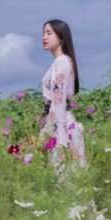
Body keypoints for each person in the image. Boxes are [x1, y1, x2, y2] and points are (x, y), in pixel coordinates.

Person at [39, 19, 86, 176]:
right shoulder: (65, 61)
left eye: (49, 33)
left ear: (61, 37)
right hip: (64, 123)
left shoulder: (61, 62)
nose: (44, 37)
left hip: (61, 126)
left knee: (63, 177)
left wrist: (51, 133)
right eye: (43, 33)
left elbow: (58, 102)